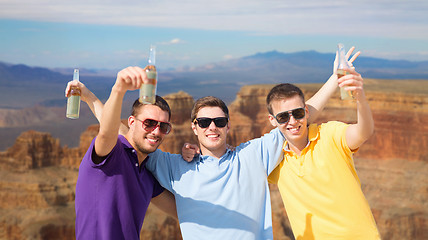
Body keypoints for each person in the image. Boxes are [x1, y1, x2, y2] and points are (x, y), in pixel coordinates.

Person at [67, 47, 360, 239]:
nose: (212, 127)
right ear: (194, 128)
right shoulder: (170, 165)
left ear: (229, 125)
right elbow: (123, 133)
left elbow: (296, 117)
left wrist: (334, 79)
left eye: (219, 121)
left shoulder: (254, 155)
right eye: (204, 122)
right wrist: (94, 98)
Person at [266, 69, 380, 239]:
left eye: (298, 113)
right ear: (272, 121)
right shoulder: (274, 159)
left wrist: (360, 98)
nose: (292, 121)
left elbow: (363, 132)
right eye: (283, 117)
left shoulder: (330, 134)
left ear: (306, 111)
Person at [67, 67, 177, 240]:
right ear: (132, 121)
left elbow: (183, 212)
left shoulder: (147, 176)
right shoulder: (111, 154)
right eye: (149, 123)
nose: (156, 132)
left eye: (163, 127)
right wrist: (119, 89)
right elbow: (107, 131)